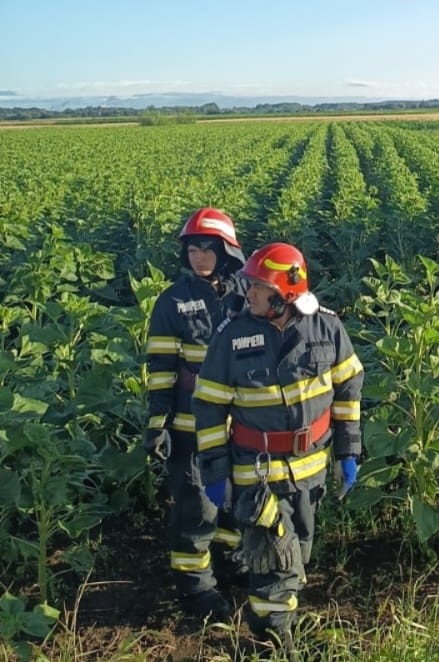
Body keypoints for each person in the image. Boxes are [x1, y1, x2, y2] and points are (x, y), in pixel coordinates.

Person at [192, 242, 364, 646]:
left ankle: (280, 622)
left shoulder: (327, 329)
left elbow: (348, 390)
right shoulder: (232, 336)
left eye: (259, 286)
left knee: (297, 554)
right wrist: (215, 471)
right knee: (273, 561)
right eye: (250, 284)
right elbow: (210, 407)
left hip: (310, 472)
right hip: (258, 475)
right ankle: (272, 642)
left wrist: (348, 452)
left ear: (285, 293)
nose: (248, 292)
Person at [142, 207, 248, 620]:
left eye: (207, 248)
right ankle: (195, 589)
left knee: (233, 500)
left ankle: (229, 563)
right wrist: (157, 425)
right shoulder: (172, 301)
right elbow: (161, 369)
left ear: (226, 252)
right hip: (191, 428)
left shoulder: (245, 293)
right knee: (197, 508)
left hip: (238, 425)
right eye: (192, 250)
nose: (199, 257)